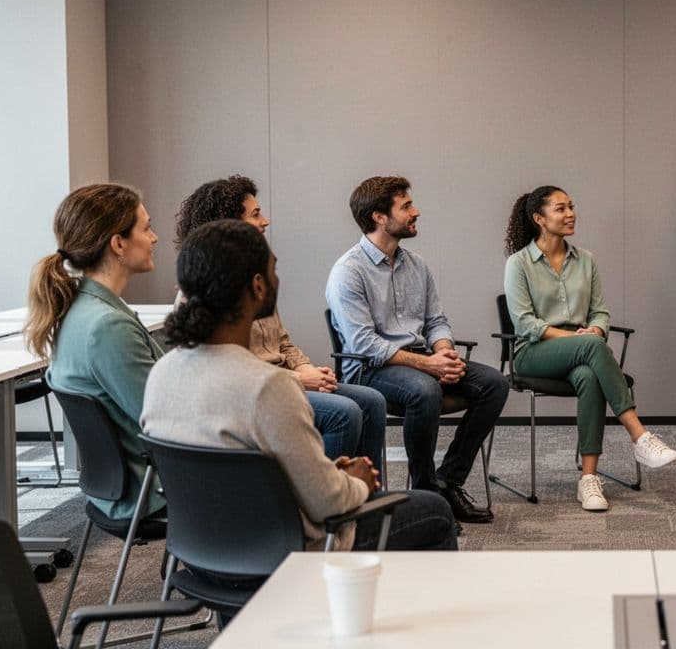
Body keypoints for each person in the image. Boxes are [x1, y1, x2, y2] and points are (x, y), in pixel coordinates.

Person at [142, 220, 455, 616]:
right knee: (433, 511)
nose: (277, 278)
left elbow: (228, 470)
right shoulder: (267, 387)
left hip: (202, 556)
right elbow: (329, 505)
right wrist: (354, 481)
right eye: (273, 269)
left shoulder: (161, 374)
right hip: (283, 556)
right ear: (257, 286)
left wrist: (326, 474)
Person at [175, 176, 387, 479]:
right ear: (229, 225)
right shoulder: (204, 289)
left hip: (284, 378)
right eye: (255, 214)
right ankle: (323, 508)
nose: (265, 221)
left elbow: (283, 342)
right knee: (345, 413)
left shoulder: (254, 278)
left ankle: (364, 498)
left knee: (372, 401)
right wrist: (298, 379)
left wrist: (310, 370)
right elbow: (231, 372)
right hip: (255, 394)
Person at [326, 176, 507, 524]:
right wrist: (431, 367)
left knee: (494, 383)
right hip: (370, 368)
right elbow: (365, 344)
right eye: (406, 206)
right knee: (425, 391)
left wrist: (445, 352)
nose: (416, 211)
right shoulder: (347, 272)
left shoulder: (417, 265)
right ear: (379, 216)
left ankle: (446, 482)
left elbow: (436, 320)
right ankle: (424, 496)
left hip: (422, 358)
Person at [503, 185, 676, 512]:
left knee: (588, 375)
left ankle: (588, 479)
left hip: (582, 352)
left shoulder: (585, 260)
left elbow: (600, 311)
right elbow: (525, 324)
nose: (570, 214)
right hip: (534, 353)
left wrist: (595, 328)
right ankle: (639, 435)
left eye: (571, 206)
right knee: (591, 349)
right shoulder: (519, 263)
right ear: (539, 218)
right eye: (560, 209)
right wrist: (580, 338)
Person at [24, 183, 165, 524]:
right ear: (118, 244)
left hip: (119, 485)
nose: (155, 237)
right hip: (148, 489)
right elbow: (164, 419)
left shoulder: (82, 309)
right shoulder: (106, 327)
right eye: (146, 228)